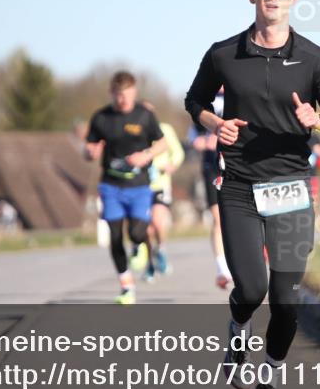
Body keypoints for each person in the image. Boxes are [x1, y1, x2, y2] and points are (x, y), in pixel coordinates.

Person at [184, 0, 320, 389]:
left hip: (291, 188)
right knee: (252, 286)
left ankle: (269, 383)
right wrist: (214, 123)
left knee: (286, 299)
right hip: (240, 185)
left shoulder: (315, 59)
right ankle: (236, 332)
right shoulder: (224, 55)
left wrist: (319, 121)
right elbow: (194, 101)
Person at [85, 72, 167, 304]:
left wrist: (146, 155)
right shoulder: (101, 117)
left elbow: (163, 144)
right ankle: (126, 284)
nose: (123, 100)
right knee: (114, 236)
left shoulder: (144, 115)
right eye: (119, 95)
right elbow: (89, 146)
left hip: (139, 185)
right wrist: (89, 152)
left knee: (136, 233)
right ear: (112, 93)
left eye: (127, 95)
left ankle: (140, 246)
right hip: (111, 185)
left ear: (134, 92)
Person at [188, 89, 232, 289]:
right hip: (212, 165)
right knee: (218, 218)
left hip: (237, 163)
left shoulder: (241, 89)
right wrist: (201, 141)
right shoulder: (207, 98)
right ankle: (222, 268)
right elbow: (193, 133)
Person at [144, 101, 185, 282]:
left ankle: (160, 250)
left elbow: (178, 152)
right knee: (146, 230)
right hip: (140, 186)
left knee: (158, 223)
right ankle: (149, 264)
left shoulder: (165, 130)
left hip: (160, 184)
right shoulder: (133, 132)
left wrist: (171, 165)